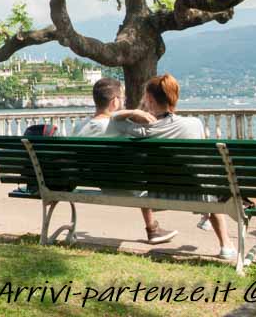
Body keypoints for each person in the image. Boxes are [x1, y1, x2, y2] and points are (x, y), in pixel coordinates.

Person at [109, 74, 238, 261]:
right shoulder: (195, 124)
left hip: (157, 194)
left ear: (150, 99)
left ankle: (209, 220)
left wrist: (134, 113)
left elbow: (113, 119)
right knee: (208, 187)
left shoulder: (145, 130)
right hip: (198, 194)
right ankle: (226, 245)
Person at [74, 77, 178, 245]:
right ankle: (152, 229)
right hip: (128, 186)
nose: (124, 101)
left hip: (99, 183)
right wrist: (137, 113)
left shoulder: (79, 127)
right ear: (115, 102)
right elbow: (150, 134)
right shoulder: (118, 125)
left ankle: (153, 229)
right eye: (122, 98)